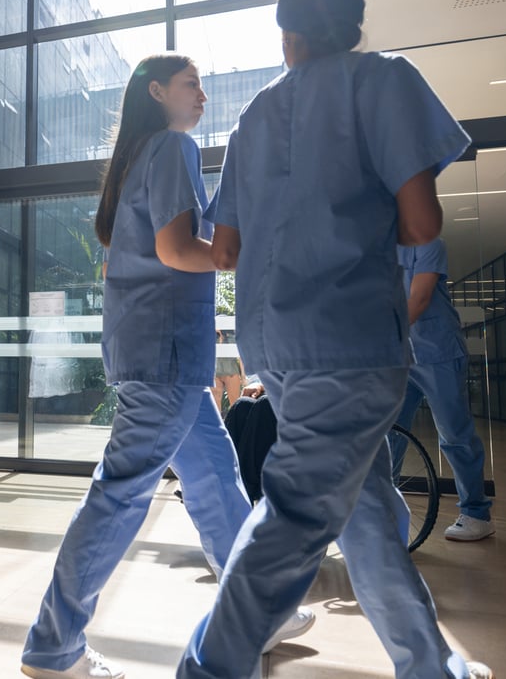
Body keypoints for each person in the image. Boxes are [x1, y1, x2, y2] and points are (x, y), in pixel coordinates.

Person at [178, 0, 492, 679]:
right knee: (295, 511)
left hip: (275, 343)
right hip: (348, 338)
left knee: (368, 509)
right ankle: (205, 667)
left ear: (287, 36)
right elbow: (422, 223)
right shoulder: (383, 79)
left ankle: (429, 665)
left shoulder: (253, 115)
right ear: (353, 26)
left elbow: (225, 249)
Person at [20, 54, 313, 679]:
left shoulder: (139, 157)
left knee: (214, 476)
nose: (202, 95)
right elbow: (177, 250)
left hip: (156, 349)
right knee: (121, 494)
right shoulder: (173, 147)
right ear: (156, 91)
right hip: (165, 353)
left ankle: (257, 612)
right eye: (191, 85)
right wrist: (240, 256)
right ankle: (53, 646)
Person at [392, 238, 494, 540]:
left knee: (454, 434)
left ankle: (476, 514)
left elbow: (420, 297)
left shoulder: (426, 242)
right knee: (389, 434)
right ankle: (386, 510)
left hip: (438, 352)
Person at [211, 330, 244, 415]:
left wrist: (243, 376)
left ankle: (236, 422)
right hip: (215, 372)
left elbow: (241, 355)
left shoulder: (232, 334)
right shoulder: (211, 335)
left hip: (231, 372)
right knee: (215, 407)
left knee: (235, 404)